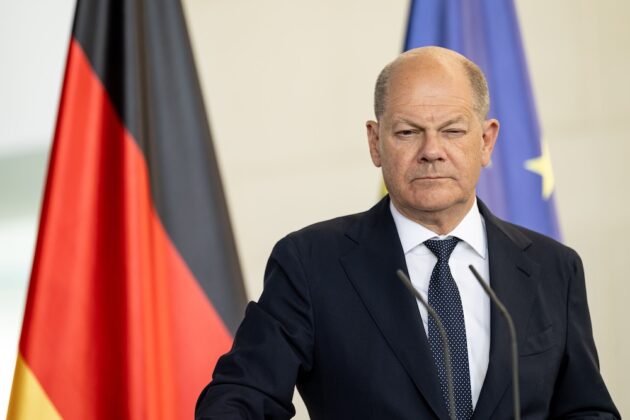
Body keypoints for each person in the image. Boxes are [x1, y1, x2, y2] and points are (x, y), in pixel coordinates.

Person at [195, 47, 619, 419]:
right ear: (375, 142)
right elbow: (240, 397)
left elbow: (587, 410)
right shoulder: (310, 263)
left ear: (487, 141)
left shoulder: (553, 268)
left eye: (452, 130)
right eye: (408, 132)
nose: (431, 151)